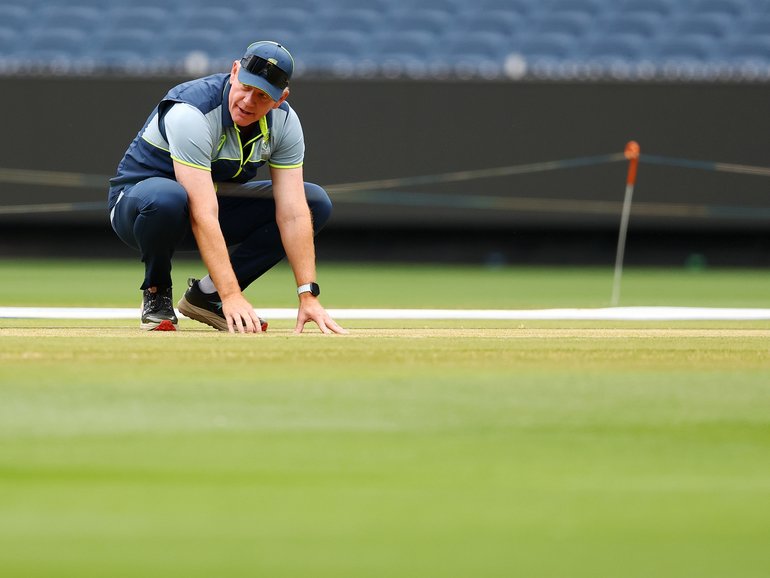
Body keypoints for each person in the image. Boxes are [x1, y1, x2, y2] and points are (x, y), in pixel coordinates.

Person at [108, 40, 346, 335]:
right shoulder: (191, 112)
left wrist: (308, 295)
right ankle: (157, 290)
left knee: (313, 203)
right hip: (139, 209)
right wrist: (232, 294)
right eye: (245, 86)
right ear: (234, 71)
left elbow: (294, 213)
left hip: (208, 206)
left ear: (280, 99)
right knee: (169, 198)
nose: (248, 101)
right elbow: (202, 211)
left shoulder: (285, 124)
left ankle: (208, 296)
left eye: (262, 96)